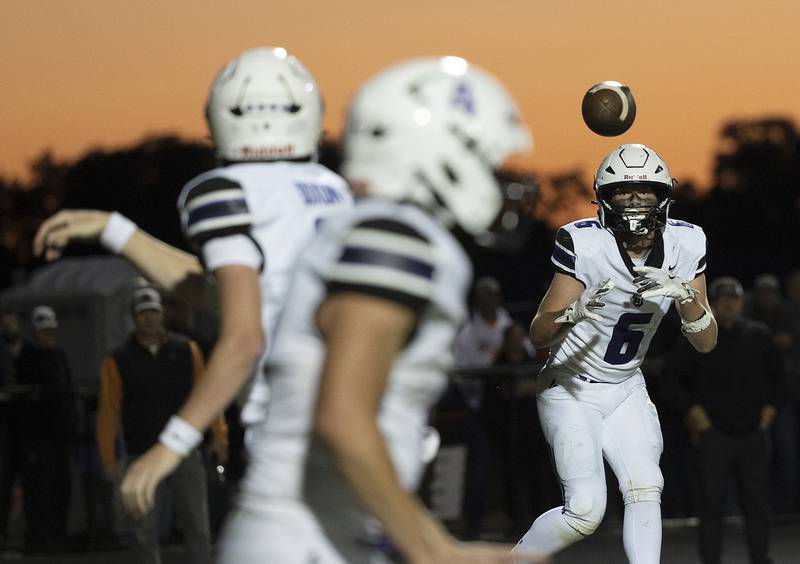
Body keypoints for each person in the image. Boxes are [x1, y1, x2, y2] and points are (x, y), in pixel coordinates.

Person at [214, 57, 544, 563]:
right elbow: (344, 416)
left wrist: (430, 543)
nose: (497, 178)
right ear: (437, 151)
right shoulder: (394, 238)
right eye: (485, 158)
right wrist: (433, 552)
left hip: (328, 538)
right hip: (306, 545)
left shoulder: (371, 228)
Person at [32, 46, 353, 517]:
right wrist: (116, 232)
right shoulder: (332, 189)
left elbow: (244, 337)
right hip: (357, 421)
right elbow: (222, 296)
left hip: (298, 435)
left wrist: (171, 446)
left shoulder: (224, 192)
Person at [514, 144, 718, 564]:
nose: (635, 203)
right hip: (571, 384)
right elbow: (538, 334)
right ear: (603, 198)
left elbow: (707, 342)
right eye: (624, 192)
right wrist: (572, 312)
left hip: (626, 385)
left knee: (646, 487)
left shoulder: (687, 241)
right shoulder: (584, 243)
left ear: (664, 196)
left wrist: (688, 299)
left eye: (644, 193)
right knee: (585, 513)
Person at [96, 285, 227, 564]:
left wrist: (219, 434)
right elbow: (108, 412)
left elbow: (208, 393)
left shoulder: (187, 350)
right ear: (134, 317)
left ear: (162, 314)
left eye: (154, 312)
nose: (149, 319)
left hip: (184, 452)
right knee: (143, 532)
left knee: (198, 529)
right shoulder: (117, 360)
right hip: (140, 455)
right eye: (143, 313)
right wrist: (108, 456)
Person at [663, 276, 782, 564]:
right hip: (713, 434)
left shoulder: (758, 334)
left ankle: (759, 557)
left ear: (742, 302)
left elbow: (780, 376)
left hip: (753, 431)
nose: (729, 303)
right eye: (723, 298)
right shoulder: (697, 336)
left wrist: (771, 408)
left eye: (735, 298)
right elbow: (669, 379)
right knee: (710, 503)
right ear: (713, 302)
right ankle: (711, 560)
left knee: (756, 502)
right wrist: (691, 409)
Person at [15, 306, 75, 549]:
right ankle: (40, 537)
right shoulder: (27, 359)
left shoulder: (59, 355)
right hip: (38, 437)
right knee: (40, 487)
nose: (48, 335)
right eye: (43, 331)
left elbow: (67, 389)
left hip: (60, 434)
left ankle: (58, 534)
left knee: (62, 486)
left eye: (50, 330)